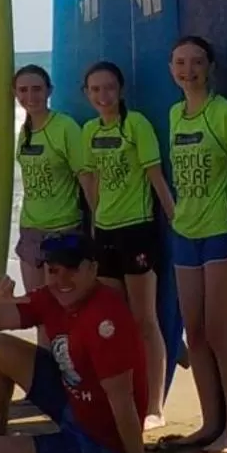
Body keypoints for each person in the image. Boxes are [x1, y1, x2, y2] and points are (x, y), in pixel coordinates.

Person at [0, 232, 178, 453]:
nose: (62, 280)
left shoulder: (106, 319)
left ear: (92, 269)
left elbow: (123, 400)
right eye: (54, 271)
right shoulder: (50, 298)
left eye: (72, 270)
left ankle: (11, 445)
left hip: (102, 440)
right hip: (71, 400)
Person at [165, 35, 227, 453]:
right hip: (186, 233)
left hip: (225, 230)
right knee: (197, 332)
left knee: (222, 331)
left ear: (210, 67)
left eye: (197, 62)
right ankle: (210, 423)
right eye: (181, 62)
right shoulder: (173, 115)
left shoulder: (226, 114)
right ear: (172, 69)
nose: (189, 70)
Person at [77, 61, 176, 427]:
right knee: (112, 323)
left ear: (120, 90)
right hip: (105, 234)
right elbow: (93, 182)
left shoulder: (136, 125)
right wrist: (94, 227)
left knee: (144, 320)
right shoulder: (89, 130)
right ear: (86, 94)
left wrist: (174, 218)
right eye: (96, 90)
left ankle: (154, 407)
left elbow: (156, 177)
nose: (103, 96)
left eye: (109, 88)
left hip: (138, 230)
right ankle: (120, 400)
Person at [13, 65, 87, 318]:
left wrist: (97, 227)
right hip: (31, 230)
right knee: (40, 311)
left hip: (64, 229)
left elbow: (88, 179)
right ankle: (46, 358)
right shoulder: (24, 132)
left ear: (49, 91)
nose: (30, 96)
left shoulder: (65, 127)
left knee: (68, 311)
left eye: (37, 89)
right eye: (23, 90)